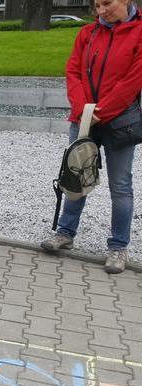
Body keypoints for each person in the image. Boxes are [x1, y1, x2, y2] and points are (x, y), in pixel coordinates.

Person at [41, 0, 142, 274]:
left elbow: (133, 80)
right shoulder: (87, 34)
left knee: (121, 186)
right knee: (75, 175)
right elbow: (73, 70)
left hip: (120, 123)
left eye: (107, 3)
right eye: (97, 5)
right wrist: (82, 107)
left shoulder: (139, 32)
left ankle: (118, 247)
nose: (101, 11)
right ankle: (65, 233)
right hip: (84, 117)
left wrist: (102, 111)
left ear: (126, 1)